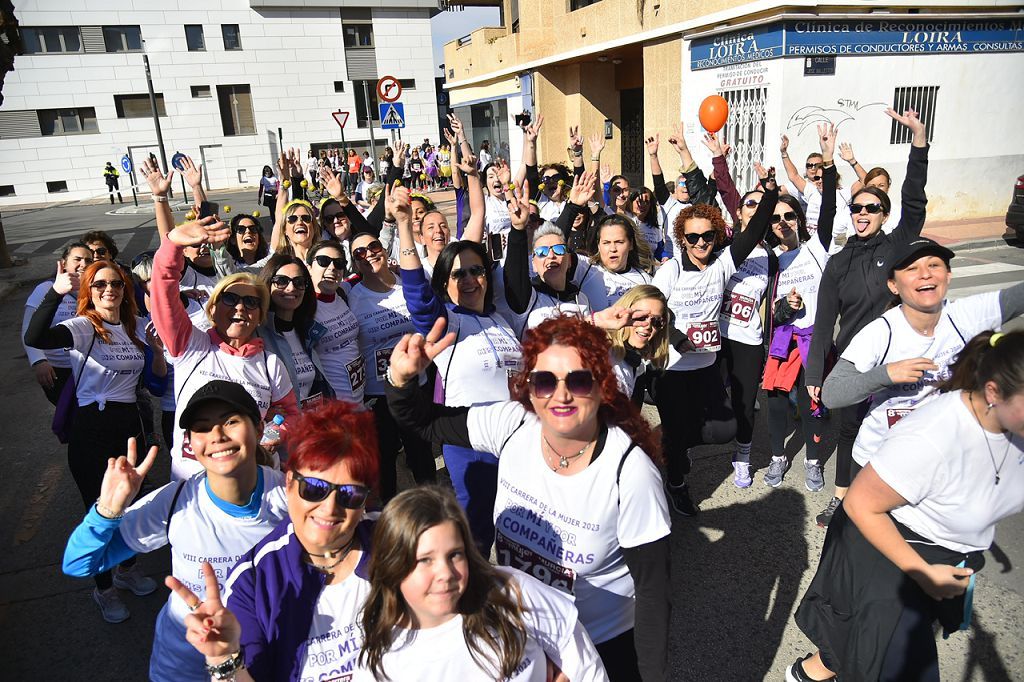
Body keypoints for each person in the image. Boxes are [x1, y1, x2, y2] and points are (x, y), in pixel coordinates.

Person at [386, 315, 672, 682]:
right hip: (523, 630)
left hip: (602, 644)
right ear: (528, 387)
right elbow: (422, 421)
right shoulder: (514, 424)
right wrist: (403, 380)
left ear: (603, 388)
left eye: (580, 380)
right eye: (544, 381)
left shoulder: (629, 472)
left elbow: (653, 591)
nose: (561, 395)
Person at [788, 330, 1024, 682]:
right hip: (895, 565)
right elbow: (860, 503)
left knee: (856, 652)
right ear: (993, 393)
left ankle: (810, 673)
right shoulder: (934, 435)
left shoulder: (1010, 427)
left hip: (941, 566)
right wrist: (924, 574)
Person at [63, 382, 289, 681]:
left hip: (269, 661)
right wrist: (106, 511)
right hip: (185, 668)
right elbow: (78, 564)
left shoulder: (292, 496)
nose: (217, 436)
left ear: (259, 429)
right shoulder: (174, 502)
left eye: (231, 422)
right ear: (191, 444)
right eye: (202, 428)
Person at [167, 401, 378, 682]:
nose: (329, 508)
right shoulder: (253, 581)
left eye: (350, 494)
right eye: (314, 488)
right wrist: (224, 660)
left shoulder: (392, 545)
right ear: (289, 483)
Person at [804, 108, 930, 528]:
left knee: (898, 434)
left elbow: (914, 203)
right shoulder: (837, 263)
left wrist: (919, 143)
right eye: (857, 207)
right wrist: (815, 375)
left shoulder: (895, 247)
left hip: (896, 362)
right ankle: (842, 501)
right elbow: (823, 325)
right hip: (854, 364)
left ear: (883, 215)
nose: (862, 214)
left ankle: (894, 504)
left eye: (872, 208)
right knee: (849, 433)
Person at [25, 259, 166, 623]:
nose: (109, 289)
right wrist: (57, 292)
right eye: (100, 284)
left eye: (116, 283)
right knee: (102, 510)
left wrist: (157, 352)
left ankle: (126, 568)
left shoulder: (131, 329)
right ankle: (103, 588)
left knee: (129, 505)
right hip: (92, 432)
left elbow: (153, 382)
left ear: (125, 289)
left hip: (127, 429)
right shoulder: (85, 327)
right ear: (89, 290)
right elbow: (36, 337)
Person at [355, 486, 609, 681]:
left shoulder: (509, 591)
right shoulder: (380, 663)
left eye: (455, 554)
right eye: (425, 560)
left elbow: (580, 658)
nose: (445, 573)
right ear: (393, 565)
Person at [822, 238, 1024, 474]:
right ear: (893, 285)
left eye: (934, 265)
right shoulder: (881, 332)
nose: (925, 274)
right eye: (912, 268)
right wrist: (886, 373)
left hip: (940, 457)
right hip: (880, 460)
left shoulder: (964, 315)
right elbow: (832, 395)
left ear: (948, 275)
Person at [393, 182, 516, 552]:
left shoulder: (501, 320)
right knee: (474, 531)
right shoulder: (446, 319)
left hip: (513, 436)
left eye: (476, 271)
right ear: (444, 283)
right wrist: (403, 225)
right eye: (458, 274)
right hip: (469, 439)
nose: (468, 279)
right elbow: (416, 294)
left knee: (515, 522)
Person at [652, 166, 778, 516]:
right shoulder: (671, 271)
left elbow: (754, 231)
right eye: (693, 238)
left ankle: (674, 443)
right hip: (673, 368)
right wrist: (678, 339)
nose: (701, 243)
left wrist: (769, 191)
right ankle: (677, 483)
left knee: (724, 429)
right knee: (678, 436)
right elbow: (651, 311)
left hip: (707, 367)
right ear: (682, 238)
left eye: (707, 235)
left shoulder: (723, 264)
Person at [149, 191, 298, 480]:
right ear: (213, 308)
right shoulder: (190, 345)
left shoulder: (270, 364)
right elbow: (163, 296)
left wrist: (275, 432)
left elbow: (291, 413)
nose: (241, 307)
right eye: (230, 299)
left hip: (255, 484)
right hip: (193, 488)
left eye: (251, 302)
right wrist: (172, 246)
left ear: (259, 315)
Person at [347, 231, 436, 500]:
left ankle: (431, 507)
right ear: (354, 262)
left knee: (421, 453)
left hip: (415, 386)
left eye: (373, 246)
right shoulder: (352, 295)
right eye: (359, 252)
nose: (368, 253)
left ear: (384, 249)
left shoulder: (405, 284)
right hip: (378, 393)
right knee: (385, 459)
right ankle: (388, 517)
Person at [760, 191, 831, 491]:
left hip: (813, 339)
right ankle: (779, 456)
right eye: (775, 218)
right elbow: (772, 309)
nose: (783, 222)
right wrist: (787, 305)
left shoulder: (817, 248)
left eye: (789, 215)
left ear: (799, 220)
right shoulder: (771, 259)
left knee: (811, 401)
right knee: (775, 401)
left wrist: (828, 161)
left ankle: (813, 461)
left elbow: (828, 209)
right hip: (783, 340)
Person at [257, 254, 335, 407]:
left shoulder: (308, 332)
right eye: (281, 281)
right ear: (267, 284)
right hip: (276, 428)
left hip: (307, 426)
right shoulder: (257, 334)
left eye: (299, 282)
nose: (291, 288)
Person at [23, 242, 93, 405]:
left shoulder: (95, 289)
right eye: (77, 259)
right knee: (67, 416)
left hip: (88, 368)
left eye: (88, 260)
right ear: (64, 263)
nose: (83, 264)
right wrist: (39, 361)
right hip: (56, 369)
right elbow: (28, 327)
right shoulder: (46, 289)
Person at [304, 240, 365, 404]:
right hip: (333, 407)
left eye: (338, 263)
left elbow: (362, 273)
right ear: (309, 267)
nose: (332, 268)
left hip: (360, 401)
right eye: (323, 261)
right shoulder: (302, 308)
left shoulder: (342, 292)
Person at [574, 215, 653, 313]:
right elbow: (555, 248)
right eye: (606, 243)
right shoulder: (584, 268)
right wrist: (573, 207)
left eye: (619, 242)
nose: (613, 249)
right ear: (598, 245)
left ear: (631, 244)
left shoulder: (645, 280)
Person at [607, 285, 670, 404]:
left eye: (656, 321)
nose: (648, 326)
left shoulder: (638, 365)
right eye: (640, 317)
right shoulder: (603, 353)